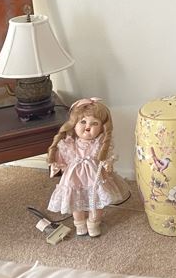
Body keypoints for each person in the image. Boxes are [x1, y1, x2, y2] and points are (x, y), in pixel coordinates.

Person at [47, 98, 130, 237]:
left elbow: (107, 157)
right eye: (83, 122)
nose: (87, 127)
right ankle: (79, 224)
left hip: (95, 178)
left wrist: (108, 163)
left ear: (102, 127)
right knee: (76, 203)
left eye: (94, 123)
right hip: (74, 179)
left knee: (96, 202)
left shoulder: (99, 143)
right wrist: (56, 164)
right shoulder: (69, 143)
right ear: (74, 124)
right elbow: (63, 157)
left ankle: (93, 223)